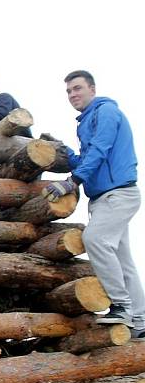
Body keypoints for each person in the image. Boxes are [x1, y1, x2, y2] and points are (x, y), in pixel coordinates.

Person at [42, 70, 144, 341]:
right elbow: (88, 157)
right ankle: (141, 321)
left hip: (118, 194)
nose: (73, 95)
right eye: (68, 91)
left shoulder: (106, 111)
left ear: (92, 89)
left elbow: (101, 149)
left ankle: (121, 306)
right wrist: (65, 151)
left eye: (77, 88)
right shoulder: (85, 121)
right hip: (103, 198)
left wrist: (72, 182)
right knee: (124, 262)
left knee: (95, 239)